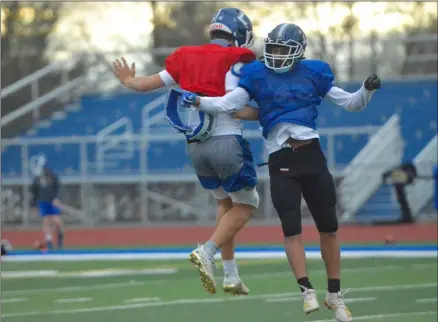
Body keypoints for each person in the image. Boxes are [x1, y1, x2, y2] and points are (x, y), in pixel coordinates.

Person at [181, 23, 382, 322]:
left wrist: (366, 89)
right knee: (291, 228)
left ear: (298, 52)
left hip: (312, 156)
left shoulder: (314, 73)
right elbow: (227, 104)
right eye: (271, 48)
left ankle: (334, 294)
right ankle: (306, 291)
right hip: (280, 159)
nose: (275, 55)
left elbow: (352, 104)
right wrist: (200, 101)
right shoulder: (257, 75)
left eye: (282, 50)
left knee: (329, 227)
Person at [112, 8, 259, 296]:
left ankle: (231, 275)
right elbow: (239, 108)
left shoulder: (187, 56)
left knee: (225, 205)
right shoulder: (238, 60)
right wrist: (268, 114)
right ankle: (207, 251)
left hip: (195, 146)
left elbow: (145, 84)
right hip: (226, 141)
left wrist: (129, 80)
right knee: (247, 204)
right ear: (239, 35)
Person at [30, 158, 65, 250]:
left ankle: (60, 238)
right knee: (46, 221)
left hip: (52, 201)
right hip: (43, 201)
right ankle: (49, 241)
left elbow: (57, 188)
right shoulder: (37, 179)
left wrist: (57, 198)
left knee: (57, 221)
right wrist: (34, 205)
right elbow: (34, 192)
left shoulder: (52, 176)